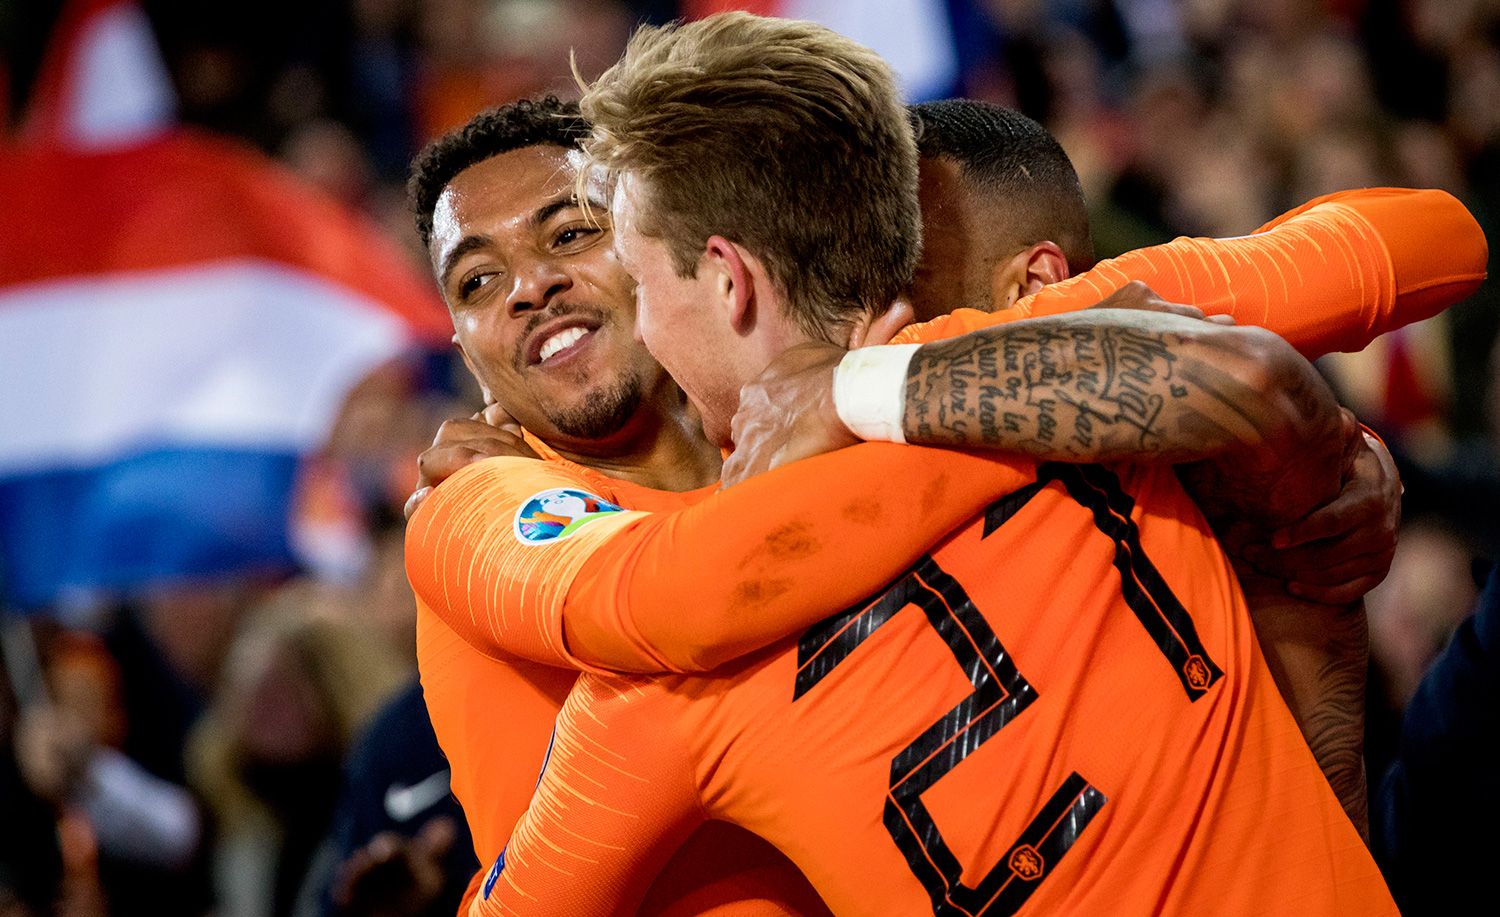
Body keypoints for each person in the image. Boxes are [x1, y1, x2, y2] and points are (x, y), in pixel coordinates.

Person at [412, 12, 1428, 913]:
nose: (540, 289)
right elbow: (1416, 249)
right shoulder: (1072, 363)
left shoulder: (660, 692)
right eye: (479, 278)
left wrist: (859, 399)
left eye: (606, 254)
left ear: (726, 278)